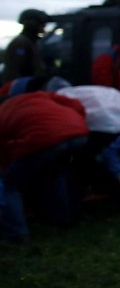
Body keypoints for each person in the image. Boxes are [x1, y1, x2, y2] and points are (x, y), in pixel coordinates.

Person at [0, 88, 88, 242]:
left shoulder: (3, 113)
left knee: (10, 186)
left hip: (44, 139)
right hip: (78, 132)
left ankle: (17, 234)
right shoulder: (40, 95)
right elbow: (75, 103)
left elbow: (3, 151)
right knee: (55, 172)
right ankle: (63, 220)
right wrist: (76, 119)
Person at [3, 8, 49, 84]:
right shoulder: (21, 43)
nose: (43, 27)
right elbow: (13, 71)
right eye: (40, 24)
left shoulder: (32, 42)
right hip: (22, 90)